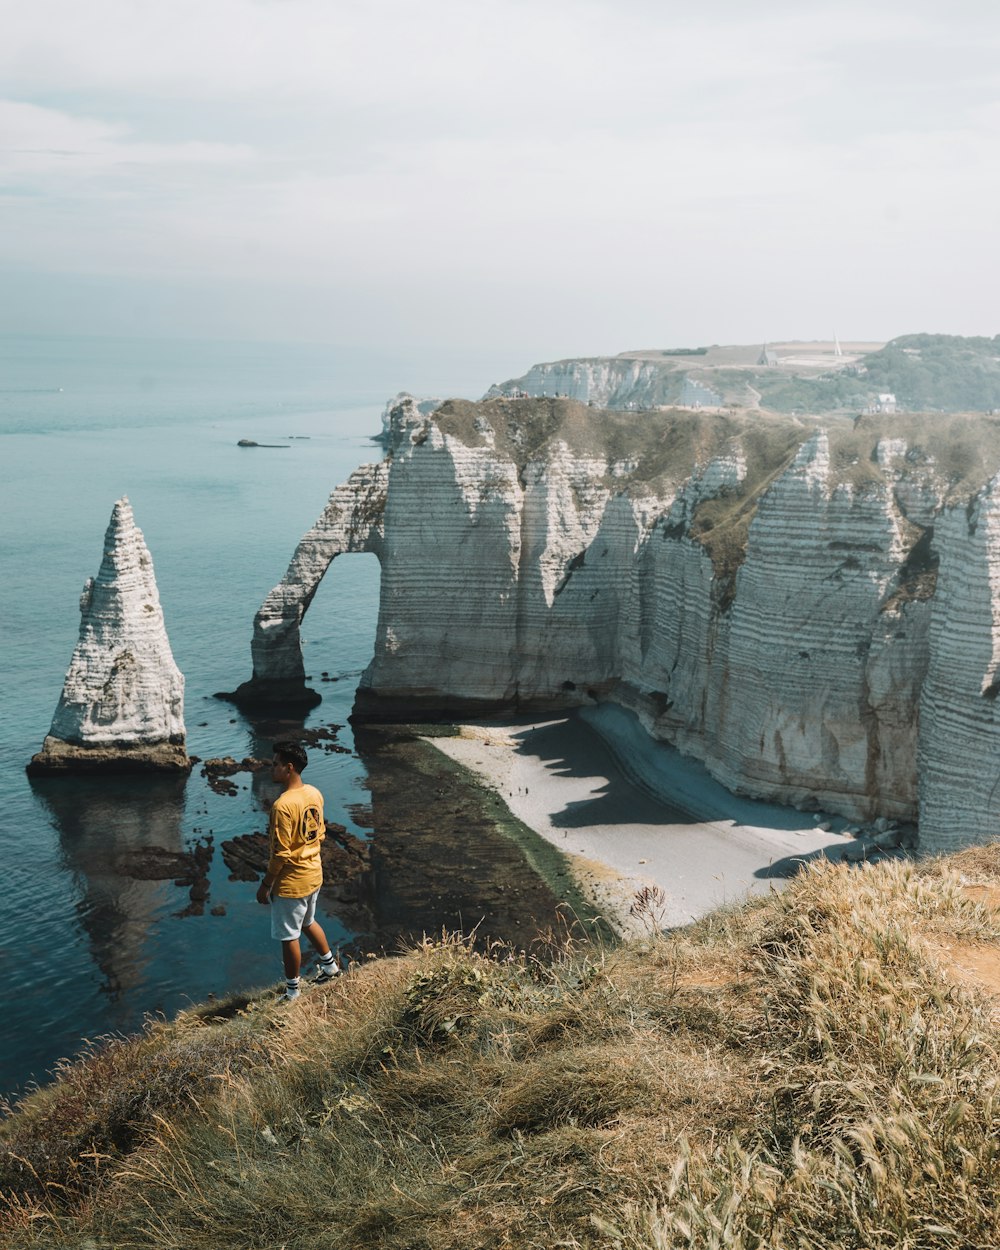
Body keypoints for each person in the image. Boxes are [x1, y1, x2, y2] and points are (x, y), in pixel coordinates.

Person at [255, 740, 339, 1000]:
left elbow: (280, 853)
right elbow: (320, 833)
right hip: (314, 873)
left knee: (289, 935)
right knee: (308, 922)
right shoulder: (314, 793)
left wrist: (266, 884)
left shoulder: (282, 806)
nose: (272, 769)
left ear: (288, 768)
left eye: (276, 764)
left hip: (292, 882)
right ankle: (331, 968)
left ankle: (292, 992)